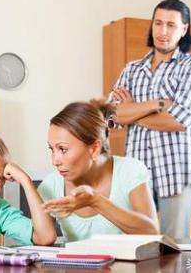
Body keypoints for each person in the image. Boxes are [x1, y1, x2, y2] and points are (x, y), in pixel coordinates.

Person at [109, 0, 191, 238]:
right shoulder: (132, 69)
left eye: (171, 25)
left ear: (184, 29)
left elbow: (177, 121)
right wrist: (155, 105)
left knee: (172, 247)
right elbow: (111, 115)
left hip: (177, 173)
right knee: (138, 247)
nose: (163, 32)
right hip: (137, 175)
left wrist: (131, 111)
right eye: (158, 23)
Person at [38, 100, 159, 242]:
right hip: (75, 265)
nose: (55, 161)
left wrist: (96, 201)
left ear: (95, 148)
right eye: (52, 149)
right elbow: (42, 239)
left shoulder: (129, 170)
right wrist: (25, 180)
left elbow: (152, 232)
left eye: (63, 149)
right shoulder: (51, 185)